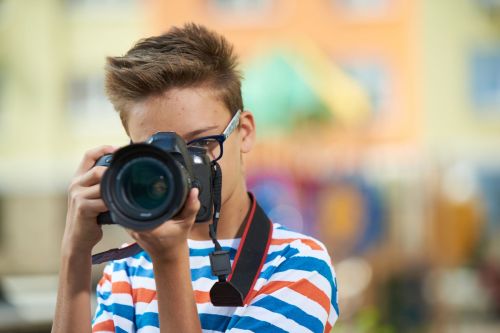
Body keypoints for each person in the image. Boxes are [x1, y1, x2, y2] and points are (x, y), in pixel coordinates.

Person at [52, 23, 338, 333]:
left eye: (200, 144)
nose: (181, 167)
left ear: (244, 132)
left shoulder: (298, 265)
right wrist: (75, 254)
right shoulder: (128, 271)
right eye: (159, 153)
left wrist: (169, 260)